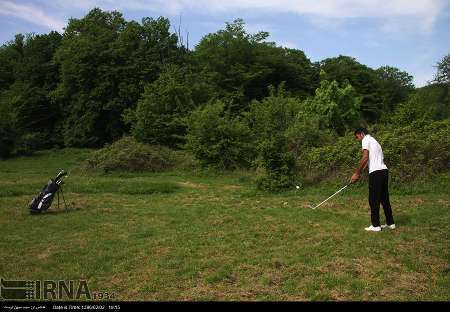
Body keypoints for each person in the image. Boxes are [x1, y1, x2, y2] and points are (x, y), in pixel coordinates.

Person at [350, 128, 395, 232]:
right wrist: (359, 173)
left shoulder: (365, 139)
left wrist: (356, 173)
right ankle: (390, 223)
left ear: (361, 134)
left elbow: (365, 157)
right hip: (384, 171)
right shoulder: (375, 142)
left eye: (357, 137)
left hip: (376, 173)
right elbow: (369, 160)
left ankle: (375, 226)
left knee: (373, 199)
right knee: (384, 198)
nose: (358, 140)